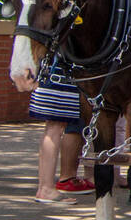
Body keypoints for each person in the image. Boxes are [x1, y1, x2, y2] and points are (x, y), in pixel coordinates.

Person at [28, 57, 89, 203]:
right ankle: (46, 188)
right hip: (59, 74)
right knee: (55, 128)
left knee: (52, 128)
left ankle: (45, 186)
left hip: (50, 71)